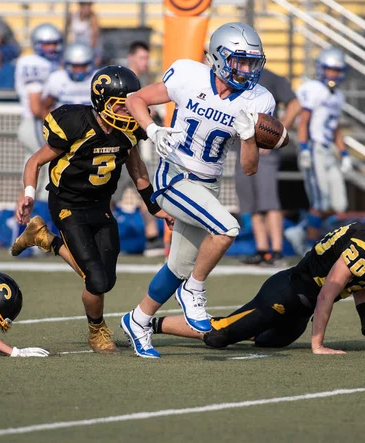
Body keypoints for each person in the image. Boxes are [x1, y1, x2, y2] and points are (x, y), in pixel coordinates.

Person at [120, 22, 275, 358]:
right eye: (240, 61)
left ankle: (139, 318)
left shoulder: (258, 99)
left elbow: (249, 167)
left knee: (177, 266)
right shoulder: (188, 75)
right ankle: (195, 289)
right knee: (228, 228)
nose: (247, 69)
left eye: (252, 62)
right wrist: (152, 130)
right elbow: (136, 99)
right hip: (173, 177)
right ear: (219, 57)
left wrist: (248, 135)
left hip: (207, 185)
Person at [12, 66, 173, 354]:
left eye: (129, 102)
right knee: (96, 280)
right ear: (102, 101)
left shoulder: (130, 129)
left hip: (101, 205)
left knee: (106, 280)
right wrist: (27, 195)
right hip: (68, 204)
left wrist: (153, 205)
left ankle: (44, 238)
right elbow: (35, 162)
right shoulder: (75, 122)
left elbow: (136, 165)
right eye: (119, 103)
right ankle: (96, 329)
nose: (126, 109)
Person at [149, 220, 365, 355]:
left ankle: (238, 327)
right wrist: (317, 345)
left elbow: (360, 283)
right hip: (284, 295)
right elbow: (328, 293)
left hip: (300, 308)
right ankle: (146, 324)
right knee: (219, 336)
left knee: (272, 340)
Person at [285, 47, 353, 256]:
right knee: (320, 201)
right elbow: (304, 121)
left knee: (340, 204)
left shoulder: (338, 95)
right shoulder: (313, 88)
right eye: (330, 69)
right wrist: (303, 148)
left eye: (336, 70)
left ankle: (300, 229)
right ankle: (311, 246)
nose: (333, 74)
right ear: (321, 69)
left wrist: (344, 153)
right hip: (313, 147)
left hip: (327, 150)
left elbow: (335, 127)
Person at [236, 68, 302, 266]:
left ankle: (277, 250)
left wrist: (278, 132)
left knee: (269, 202)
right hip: (241, 149)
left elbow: (295, 103)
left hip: (264, 151)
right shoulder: (232, 76)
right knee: (252, 204)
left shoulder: (271, 78)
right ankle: (262, 249)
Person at [111, 40, 164, 257]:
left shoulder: (141, 82)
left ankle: (152, 238)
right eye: (142, 57)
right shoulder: (120, 82)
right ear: (131, 57)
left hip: (133, 147)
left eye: (147, 58)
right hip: (115, 147)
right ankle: (99, 237)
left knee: (145, 188)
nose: (145, 62)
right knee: (109, 196)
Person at [14, 23, 62, 202]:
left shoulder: (49, 63)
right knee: (46, 170)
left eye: (54, 43)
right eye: (47, 44)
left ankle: (22, 222)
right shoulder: (34, 63)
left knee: (31, 179)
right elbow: (36, 106)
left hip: (35, 123)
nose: (52, 48)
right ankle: (39, 219)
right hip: (35, 123)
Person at [42, 42, 94, 111]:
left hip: (90, 121)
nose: (79, 70)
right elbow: (45, 107)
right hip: (63, 121)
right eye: (75, 66)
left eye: (83, 65)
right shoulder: (57, 78)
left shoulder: (97, 78)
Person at [65, 2, 101, 66]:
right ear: (81, 6)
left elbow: (95, 37)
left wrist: (94, 53)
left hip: (88, 50)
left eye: (89, 5)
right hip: (74, 48)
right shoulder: (73, 16)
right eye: (85, 5)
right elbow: (67, 33)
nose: (88, 8)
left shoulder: (93, 18)